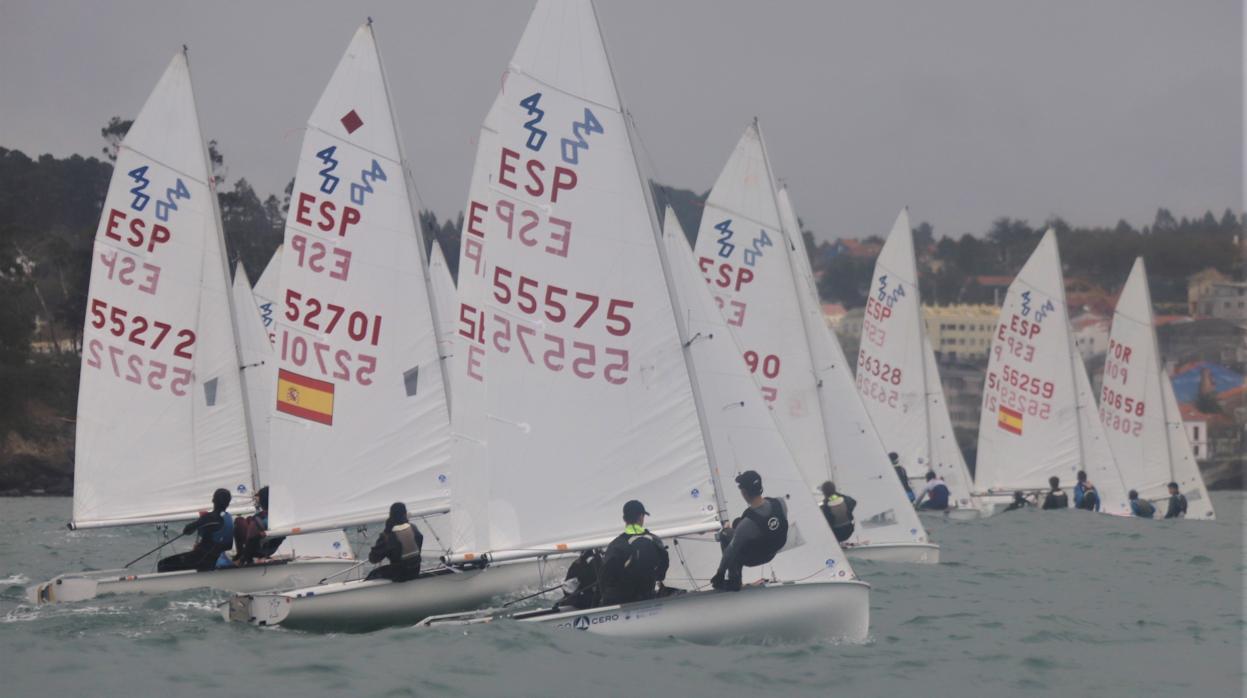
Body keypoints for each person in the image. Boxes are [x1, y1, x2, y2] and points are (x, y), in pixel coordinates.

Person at [712, 471, 789, 591]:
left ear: (744, 493)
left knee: (726, 534)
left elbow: (730, 552)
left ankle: (734, 581)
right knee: (738, 524)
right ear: (761, 488)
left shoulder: (748, 523)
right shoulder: (780, 502)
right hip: (773, 551)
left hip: (755, 558)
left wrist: (719, 574)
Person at [599, 500, 669, 605]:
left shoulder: (616, 545)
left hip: (623, 604)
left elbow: (606, 578)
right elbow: (661, 573)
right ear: (641, 517)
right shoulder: (654, 540)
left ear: (624, 519)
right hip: (648, 601)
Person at [157, 488, 236, 572]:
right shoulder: (228, 518)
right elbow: (217, 535)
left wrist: (202, 518)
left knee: (162, 564)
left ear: (213, 500)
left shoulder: (208, 517)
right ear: (228, 503)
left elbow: (187, 531)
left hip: (203, 559)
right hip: (217, 557)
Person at [366, 502, 424, 582]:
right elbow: (418, 547)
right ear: (405, 513)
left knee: (372, 575)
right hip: (415, 570)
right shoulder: (414, 528)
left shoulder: (388, 535)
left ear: (391, 515)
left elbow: (373, 559)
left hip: (400, 574)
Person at [233, 486, 285, 566]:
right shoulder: (281, 516)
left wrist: (243, 559)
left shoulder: (259, 518)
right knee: (249, 519)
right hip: (272, 549)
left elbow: (252, 541)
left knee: (239, 521)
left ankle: (239, 556)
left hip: (257, 550)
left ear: (262, 501)